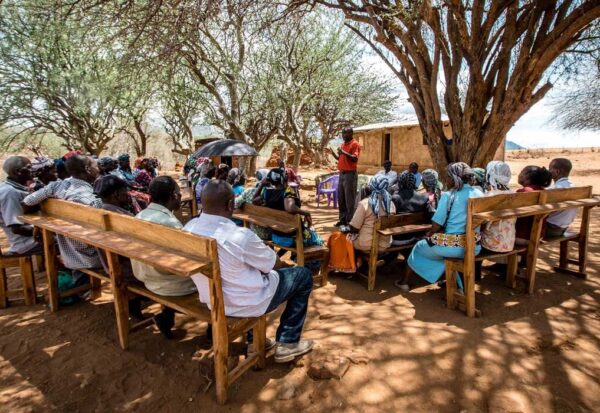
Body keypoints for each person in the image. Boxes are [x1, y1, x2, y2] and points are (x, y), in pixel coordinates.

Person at [185, 180, 314, 363]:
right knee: (303, 276)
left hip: (212, 300)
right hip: (247, 302)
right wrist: (289, 269)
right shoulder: (240, 237)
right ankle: (288, 343)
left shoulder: (188, 228)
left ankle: (256, 339)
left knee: (243, 275)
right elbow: (273, 264)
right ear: (231, 204)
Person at [396, 162, 483, 291]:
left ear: (455, 177)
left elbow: (437, 224)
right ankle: (452, 280)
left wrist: (429, 233)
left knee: (419, 247)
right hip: (474, 245)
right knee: (438, 248)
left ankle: (404, 282)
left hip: (452, 247)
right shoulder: (479, 194)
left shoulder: (449, 195)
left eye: (448, 176)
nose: (446, 178)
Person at [130, 176, 196, 338]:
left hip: (147, 279)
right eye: (179, 193)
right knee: (212, 278)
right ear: (174, 195)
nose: (181, 196)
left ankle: (166, 317)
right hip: (171, 285)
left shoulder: (139, 216)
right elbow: (184, 263)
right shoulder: (171, 224)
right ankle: (212, 330)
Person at [23, 155, 102, 273]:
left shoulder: (55, 185)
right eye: (96, 166)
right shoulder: (91, 199)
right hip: (94, 258)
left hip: (68, 254)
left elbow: (26, 203)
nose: (98, 169)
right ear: (87, 169)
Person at [253, 168, 320, 247]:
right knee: (316, 239)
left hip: (275, 236)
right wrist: (306, 213)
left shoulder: (268, 194)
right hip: (291, 237)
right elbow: (290, 208)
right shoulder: (288, 190)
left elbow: (254, 200)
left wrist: (261, 184)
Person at [0, 156, 43, 256]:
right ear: (18, 171)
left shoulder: (13, 187)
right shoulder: (9, 193)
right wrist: (45, 233)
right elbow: (17, 228)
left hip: (30, 239)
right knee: (68, 244)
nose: (33, 170)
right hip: (27, 244)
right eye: (29, 167)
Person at [345, 174, 396, 253]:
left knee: (345, 237)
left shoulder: (365, 204)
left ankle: (358, 262)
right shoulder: (391, 204)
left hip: (365, 244)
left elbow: (354, 227)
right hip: (384, 244)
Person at [480, 161, 516, 253]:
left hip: (491, 244)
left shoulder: (490, 196)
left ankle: (476, 267)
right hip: (509, 242)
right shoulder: (513, 194)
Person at [514, 165, 553, 241]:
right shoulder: (544, 191)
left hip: (521, 237)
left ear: (527, 176)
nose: (519, 174)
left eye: (522, 172)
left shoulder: (524, 192)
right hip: (539, 236)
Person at [331, 127, 360, 226]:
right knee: (341, 198)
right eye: (342, 133)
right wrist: (332, 153)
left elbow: (354, 159)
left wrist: (343, 152)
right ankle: (342, 219)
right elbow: (340, 158)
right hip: (342, 174)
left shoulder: (355, 144)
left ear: (351, 133)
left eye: (345, 133)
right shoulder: (343, 144)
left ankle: (349, 221)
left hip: (350, 175)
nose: (343, 135)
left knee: (349, 199)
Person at [546, 158, 576, 238]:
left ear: (557, 172)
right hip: (564, 227)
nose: (548, 172)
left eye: (550, 169)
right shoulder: (574, 186)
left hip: (549, 229)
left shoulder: (554, 189)